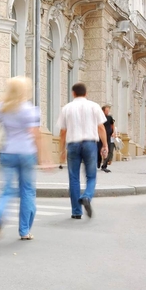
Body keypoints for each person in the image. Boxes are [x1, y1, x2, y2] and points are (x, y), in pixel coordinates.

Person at [0, 78, 46, 245]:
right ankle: (25, 230)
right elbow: (35, 134)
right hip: (26, 153)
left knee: (6, 190)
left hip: (7, 152)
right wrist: (43, 158)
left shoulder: (1, 108)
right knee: (27, 191)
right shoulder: (30, 110)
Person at [57, 82, 108, 219]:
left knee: (73, 178)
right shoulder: (94, 106)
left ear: (73, 93)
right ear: (86, 93)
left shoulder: (67, 108)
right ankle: (86, 196)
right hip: (90, 144)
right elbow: (101, 128)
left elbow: (63, 131)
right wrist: (105, 145)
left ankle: (76, 212)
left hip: (72, 144)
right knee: (91, 176)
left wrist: (62, 150)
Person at [98, 105, 115, 173]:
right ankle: (98, 161)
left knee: (107, 150)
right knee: (98, 149)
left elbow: (112, 125)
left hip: (108, 136)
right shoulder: (99, 117)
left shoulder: (109, 117)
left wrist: (113, 132)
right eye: (106, 110)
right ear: (103, 111)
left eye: (108, 110)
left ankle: (104, 166)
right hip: (99, 136)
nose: (108, 112)